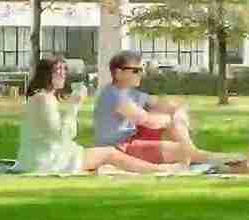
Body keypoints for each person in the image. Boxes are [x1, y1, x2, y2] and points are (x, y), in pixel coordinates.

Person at [96, 50, 249, 173]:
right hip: (120, 148)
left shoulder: (132, 93)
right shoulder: (112, 95)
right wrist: (171, 119)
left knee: (185, 146)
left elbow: (167, 104)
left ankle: (230, 162)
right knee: (183, 150)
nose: (141, 74)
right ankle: (240, 162)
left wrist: (177, 113)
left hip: (134, 140)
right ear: (118, 73)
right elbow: (146, 120)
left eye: (142, 69)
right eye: (136, 70)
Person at [12, 56, 175, 176]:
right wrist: (74, 106)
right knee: (109, 153)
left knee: (106, 157)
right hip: (47, 161)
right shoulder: (44, 100)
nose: (63, 74)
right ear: (46, 74)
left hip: (40, 157)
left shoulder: (41, 97)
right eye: (57, 71)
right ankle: (159, 170)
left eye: (64, 70)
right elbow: (62, 136)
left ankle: (156, 169)